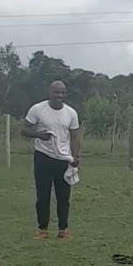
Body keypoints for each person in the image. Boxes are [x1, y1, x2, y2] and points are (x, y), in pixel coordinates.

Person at [22, 81, 81, 239]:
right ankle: (43, 229)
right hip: (43, 157)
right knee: (43, 195)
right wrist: (39, 135)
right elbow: (24, 129)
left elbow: (75, 135)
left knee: (64, 196)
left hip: (63, 159)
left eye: (62, 93)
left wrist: (75, 156)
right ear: (50, 92)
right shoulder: (37, 109)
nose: (59, 96)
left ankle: (63, 230)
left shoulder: (71, 113)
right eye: (56, 92)